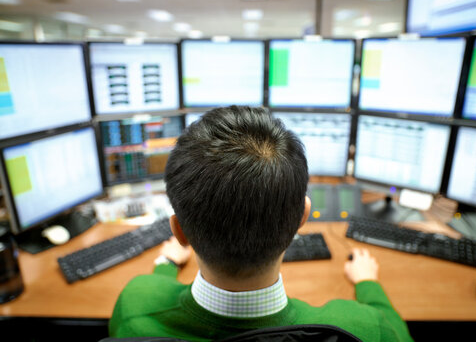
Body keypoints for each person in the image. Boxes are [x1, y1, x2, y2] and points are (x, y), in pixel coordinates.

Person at [109, 106, 413, 342]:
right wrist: (368, 284)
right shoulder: (362, 329)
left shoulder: (135, 305)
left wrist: (166, 262)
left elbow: (154, 290)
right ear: (302, 217)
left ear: (179, 232)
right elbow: (393, 329)